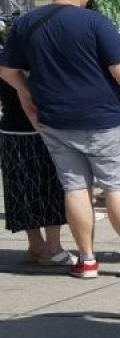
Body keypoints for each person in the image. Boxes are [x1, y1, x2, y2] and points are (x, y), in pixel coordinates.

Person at [0, 0, 120, 279]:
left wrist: (26, 95)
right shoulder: (94, 21)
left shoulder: (26, 23)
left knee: (75, 188)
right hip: (103, 117)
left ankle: (87, 260)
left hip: (54, 119)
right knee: (116, 188)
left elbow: (7, 70)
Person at [0, 72, 70, 267]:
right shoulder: (34, 59)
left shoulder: (6, 60)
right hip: (39, 130)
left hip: (11, 130)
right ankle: (53, 248)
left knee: (22, 190)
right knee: (49, 188)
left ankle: (36, 246)